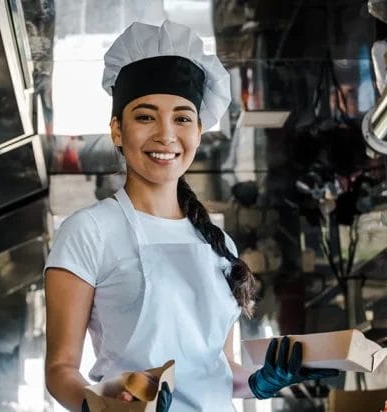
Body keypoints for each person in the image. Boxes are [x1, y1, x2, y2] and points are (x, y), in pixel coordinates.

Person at [44, 20, 339, 412]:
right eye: (145, 117)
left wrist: (261, 381)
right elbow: (61, 369)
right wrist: (103, 406)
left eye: (182, 118)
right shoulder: (89, 231)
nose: (166, 135)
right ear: (117, 129)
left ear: (199, 131)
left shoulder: (217, 242)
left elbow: (218, 371)